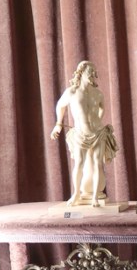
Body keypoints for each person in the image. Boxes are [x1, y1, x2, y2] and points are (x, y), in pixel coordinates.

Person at [50, 61, 118, 207]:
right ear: (81, 72)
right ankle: (76, 194)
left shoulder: (98, 94)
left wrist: (98, 120)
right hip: (81, 133)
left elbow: (102, 108)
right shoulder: (72, 92)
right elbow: (60, 106)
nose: (93, 74)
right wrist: (58, 125)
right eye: (90, 71)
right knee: (79, 163)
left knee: (97, 164)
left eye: (94, 71)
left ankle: (95, 197)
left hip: (98, 132)